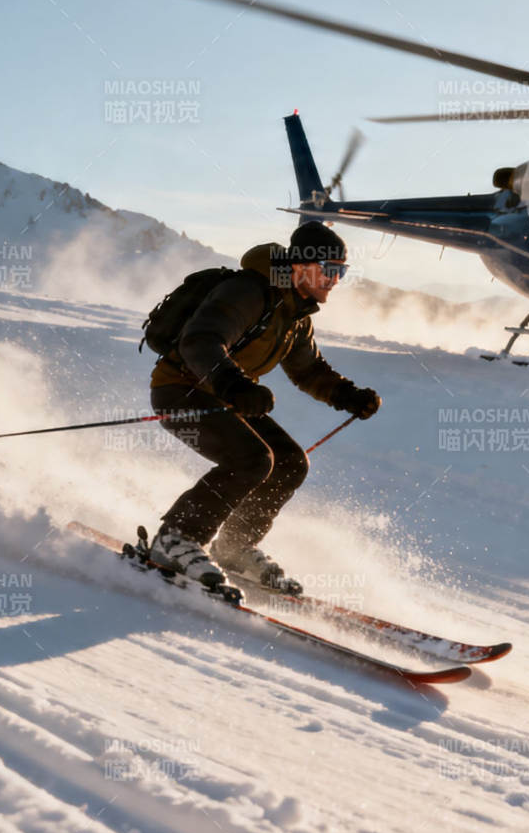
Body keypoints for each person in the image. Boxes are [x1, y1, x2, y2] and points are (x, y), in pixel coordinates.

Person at [147, 221, 380, 592]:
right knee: (252, 459)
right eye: (330, 269)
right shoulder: (249, 291)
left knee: (290, 462)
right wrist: (233, 384)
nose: (335, 280)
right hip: (181, 391)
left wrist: (346, 395)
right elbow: (200, 340)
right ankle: (175, 539)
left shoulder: (296, 313)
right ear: (300, 265)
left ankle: (235, 547)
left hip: (224, 396)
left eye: (342, 271)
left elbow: (308, 370)